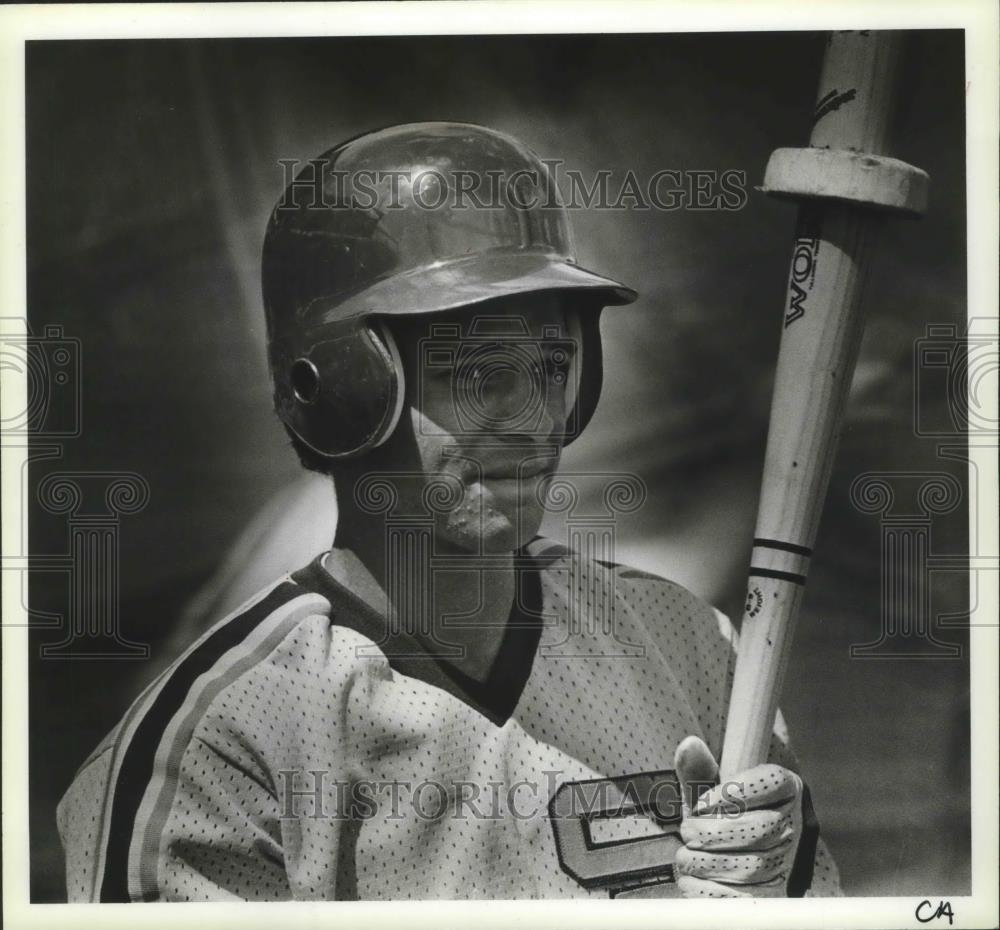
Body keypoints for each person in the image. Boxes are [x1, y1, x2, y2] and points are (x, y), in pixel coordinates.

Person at [57, 122, 841, 901]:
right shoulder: (223, 750)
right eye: (479, 372)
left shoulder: (691, 649)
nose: (531, 415)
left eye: (552, 366)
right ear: (341, 387)